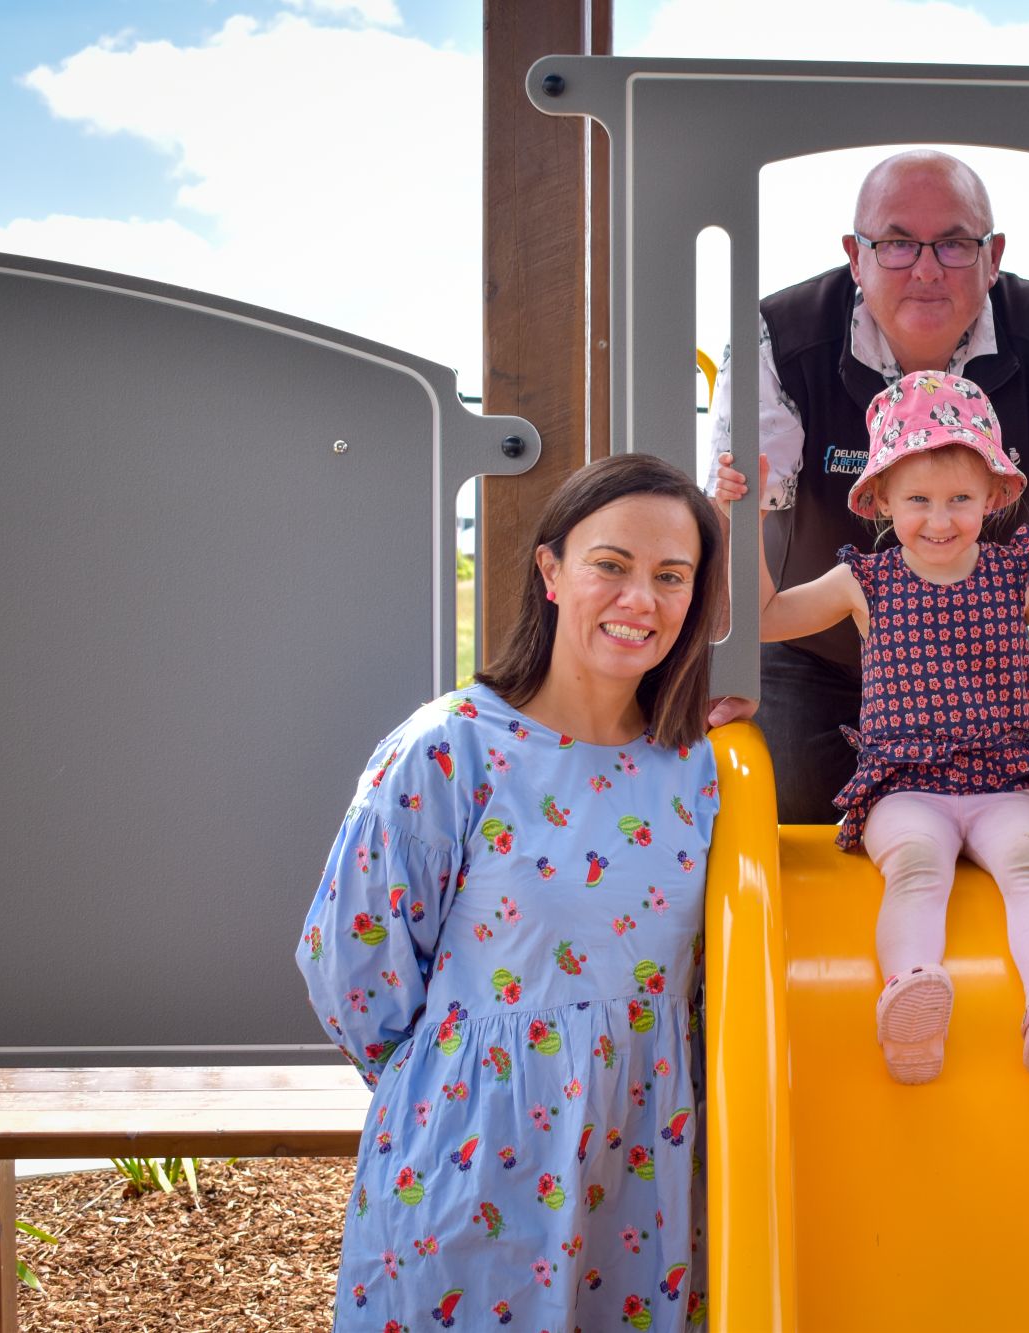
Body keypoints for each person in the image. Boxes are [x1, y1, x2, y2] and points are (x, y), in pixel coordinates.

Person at [295, 455, 725, 1332]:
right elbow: (352, 964)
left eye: (670, 576)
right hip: (472, 1160)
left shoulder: (699, 769)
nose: (641, 598)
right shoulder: (452, 749)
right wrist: (466, 1080)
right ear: (552, 570)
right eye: (611, 564)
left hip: (640, 1168)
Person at [713, 370, 1029, 1084]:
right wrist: (740, 521)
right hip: (906, 787)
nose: (940, 519)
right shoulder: (865, 579)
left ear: (994, 497)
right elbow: (767, 618)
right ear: (882, 499)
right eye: (918, 499)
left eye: (959, 499)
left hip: (1004, 779)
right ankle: (912, 996)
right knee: (916, 867)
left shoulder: (1016, 575)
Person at [707, 148, 1029, 822]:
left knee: (1003, 824)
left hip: (974, 656)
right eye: (896, 243)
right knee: (793, 813)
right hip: (816, 650)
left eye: (955, 243)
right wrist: (724, 668)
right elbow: (730, 512)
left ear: (994, 255)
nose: (926, 269)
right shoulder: (780, 336)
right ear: (855, 254)